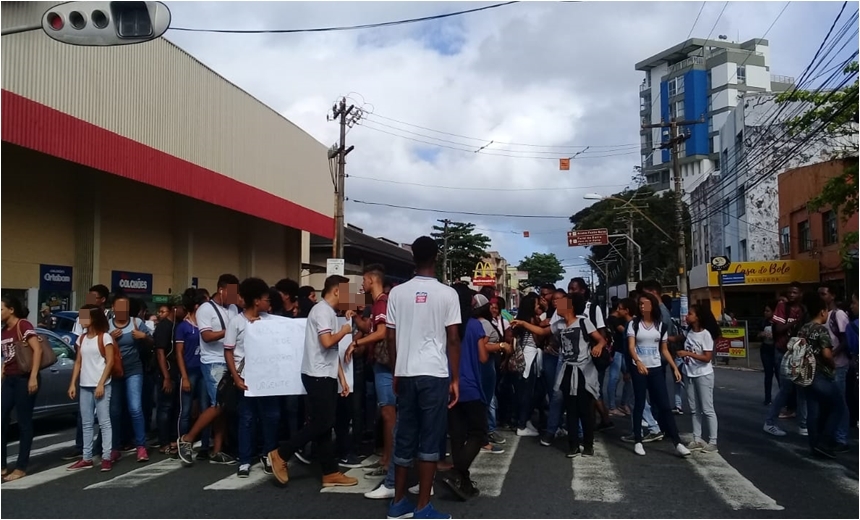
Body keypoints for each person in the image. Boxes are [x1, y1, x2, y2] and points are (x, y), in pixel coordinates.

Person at [385, 236, 461, 520]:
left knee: (405, 436)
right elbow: (453, 338)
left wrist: (396, 369)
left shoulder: (397, 293)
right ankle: (423, 507)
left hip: (405, 372)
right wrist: (455, 379)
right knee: (430, 439)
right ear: (437, 257)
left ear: (412, 257)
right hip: (434, 374)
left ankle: (398, 502)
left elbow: (390, 337)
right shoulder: (447, 294)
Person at [268, 275, 357, 488]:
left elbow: (330, 351)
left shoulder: (329, 313)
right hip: (317, 375)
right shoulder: (323, 311)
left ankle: (330, 471)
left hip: (323, 373)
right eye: (346, 291)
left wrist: (341, 378)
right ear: (336, 291)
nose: (349, 296)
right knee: (322, 422)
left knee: (325, 426)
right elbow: (327, 342)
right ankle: (281, 453)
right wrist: (345, 331)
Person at [627, 293, 690, 458]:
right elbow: (631, 347)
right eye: (640, 304)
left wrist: (674, 367)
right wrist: (638, 362)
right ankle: (638, 440)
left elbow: (663, 349)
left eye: (645, 304)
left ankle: (677, 443)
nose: (642, 307)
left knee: (664, 405)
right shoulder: (633, 325)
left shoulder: (660, 326)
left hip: (655, 368)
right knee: (640, 403)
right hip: (639, 368)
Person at [551, 292, 606, 458]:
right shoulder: (559, 325)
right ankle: (573, 445)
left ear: (570, 306)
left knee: (585, 410)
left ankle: (588, 445)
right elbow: (541, 330)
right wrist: (523, 323)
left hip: (583, 371)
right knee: (571, 410)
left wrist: (598, 347)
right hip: (567, 370)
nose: (557, 305)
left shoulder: (584, 321)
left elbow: (601, 339)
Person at [66, 305, 115, 472]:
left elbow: (110, 362)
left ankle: (106, 457)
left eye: (84, 317)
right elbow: (78, 362)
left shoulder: (105, 337)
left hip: (101, 385)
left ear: (93, 318)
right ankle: (86, 457)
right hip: (85, 385)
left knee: (104, 422)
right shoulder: (81, 338)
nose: (80, 320)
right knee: (86, 423)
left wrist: (101, 383)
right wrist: (73, 383)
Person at [796, 295, 846, 459]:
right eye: (826, 311)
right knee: (838, 406)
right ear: (822, 311)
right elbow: (826, 353)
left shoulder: (803, 328)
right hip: (821, 375)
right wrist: (833, 363)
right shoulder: (821, 330)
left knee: (813, 411)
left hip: (805, 375)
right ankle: (824, 442)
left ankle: (814, 445)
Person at [1, 296, 44, 482]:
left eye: (1, 309)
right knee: (2, 418)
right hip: (9, 379)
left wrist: (33, 376)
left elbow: (38, 350)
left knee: (24, 421)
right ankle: (2, 465)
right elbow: (7, 357)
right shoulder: (3, 330)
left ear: (11, 309)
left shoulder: (23, 325)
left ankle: (21, 466)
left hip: (24, 378)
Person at [678, 304, 721, 453]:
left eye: (690, 314)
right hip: (689, 373)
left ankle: (713, 441)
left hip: (703, 374)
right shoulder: (689, 332)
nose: (686, 316)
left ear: (697, 317)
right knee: (694, 408)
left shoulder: (705, 335)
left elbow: (707, 357)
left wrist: (687, 354)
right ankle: (697, 438)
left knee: (707, 408)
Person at [758, 303, 778, 406]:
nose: (765, 313)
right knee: (768, 375)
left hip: (776, 350)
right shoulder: (763, 322)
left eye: (768, 311)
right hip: (766, 350)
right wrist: (761, 335)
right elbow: (758, 334)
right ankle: (767, 398)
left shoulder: (778, 322)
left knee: (780, 376)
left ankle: (783, 400)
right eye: (765, 311)